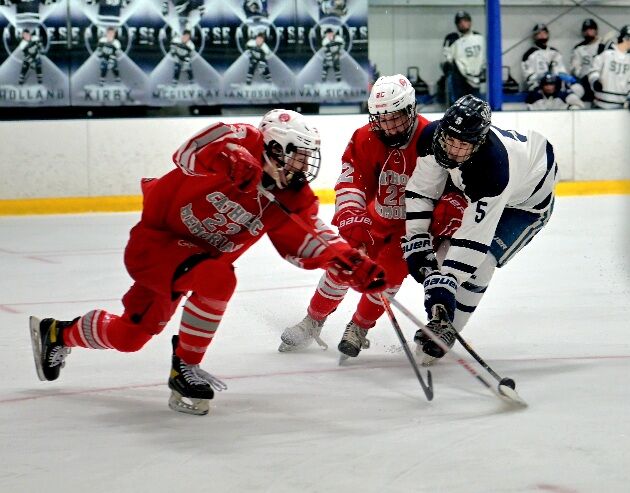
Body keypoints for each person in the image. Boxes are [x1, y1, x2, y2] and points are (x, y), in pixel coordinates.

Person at [29, 109, 386, 416]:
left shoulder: (289, 195)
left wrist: (348, 261)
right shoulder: (240, 140)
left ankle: (59, 333)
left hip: (191, 262)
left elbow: (308, 237)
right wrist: (227, 158)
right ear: (276, 146)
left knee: (130, 336)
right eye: (299, 156)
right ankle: (185, 366)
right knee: (219, 280)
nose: (303, 165)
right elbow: (188, 152)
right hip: (156, 247)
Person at [279, 75, 465, 360]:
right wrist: (353, 218)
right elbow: (351, 182)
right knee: (343, 266)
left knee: (388, 276)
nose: (388, 128)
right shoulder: (364, 137)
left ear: (411, 109)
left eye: (395, 119)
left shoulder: (433, 138)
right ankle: (313, 320)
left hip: (411, 230)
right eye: (381, 119)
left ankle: (359, 326)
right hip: (372, 221)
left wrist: (447, 210)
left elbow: (455, 184)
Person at [403, 95, 557, 365]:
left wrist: (447, 282)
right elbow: (422, 191)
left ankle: (447, 330)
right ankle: (443, 317)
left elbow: (473, 242)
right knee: (442, 253)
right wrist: (417, 239)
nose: (452, 150)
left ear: (479, 142)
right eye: (449, 139)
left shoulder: (493, 167)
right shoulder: (433, 136)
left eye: (463, 145)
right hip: (491, 184)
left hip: (526, 204)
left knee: (482, 263)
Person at [522, 23, 583, 99]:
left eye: (544, 33)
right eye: (539, 33)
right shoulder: (529, 54)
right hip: (539, 86)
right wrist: (541, 78)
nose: (542, 35)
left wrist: (565, 77)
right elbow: (528, 76)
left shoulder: (555, 52)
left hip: (555, 85)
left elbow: (561, 71)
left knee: (577, 88)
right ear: (535, 36)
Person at [441, 10, 486, 105]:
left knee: (476, 106)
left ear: (470, 22)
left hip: (476, 77)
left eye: (465, 20)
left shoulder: (479, 37)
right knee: (458, 106)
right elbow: (447, 59)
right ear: (456, 25)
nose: (463, 23)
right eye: (460, 22)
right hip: (459, 79)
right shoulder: (451, 39)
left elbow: (483, 57)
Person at [587, 25, 630, 110]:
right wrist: (595, 81)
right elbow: (594, 70)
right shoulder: (607, 54)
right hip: (600, 104)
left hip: (621, 107)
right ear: (625, 38)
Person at [570, 18, 606, 103]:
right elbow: (574, 67)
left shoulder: (603, 46)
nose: (588, 32)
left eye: (591, 29)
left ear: (596, 31)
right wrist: (583, 76)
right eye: (586, 30)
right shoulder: (578, 48)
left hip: (601, 81)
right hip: (584, 82)